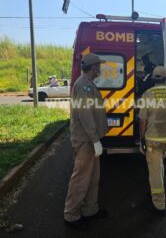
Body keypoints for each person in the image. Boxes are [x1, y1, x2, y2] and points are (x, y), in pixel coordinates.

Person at [64, 53, 109, 230]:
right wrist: (94, 139)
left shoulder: (88, 84)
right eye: (99, 66)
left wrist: (96, 139)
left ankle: (90, 209)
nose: (101, 69)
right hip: (85, 140)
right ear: (93, 68)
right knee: (81, 178)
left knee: (93, 177)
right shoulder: (83, 85)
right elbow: (85, 114)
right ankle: (71, 215)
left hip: (91, 139)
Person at [139, 66, 166, 215]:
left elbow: (142, 121)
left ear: (152, 78)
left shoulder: (147, 94)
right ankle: (158, 192)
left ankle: (159, 204)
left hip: (153, 139)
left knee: (155, 171)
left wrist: (142, 139)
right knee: (160, 164)